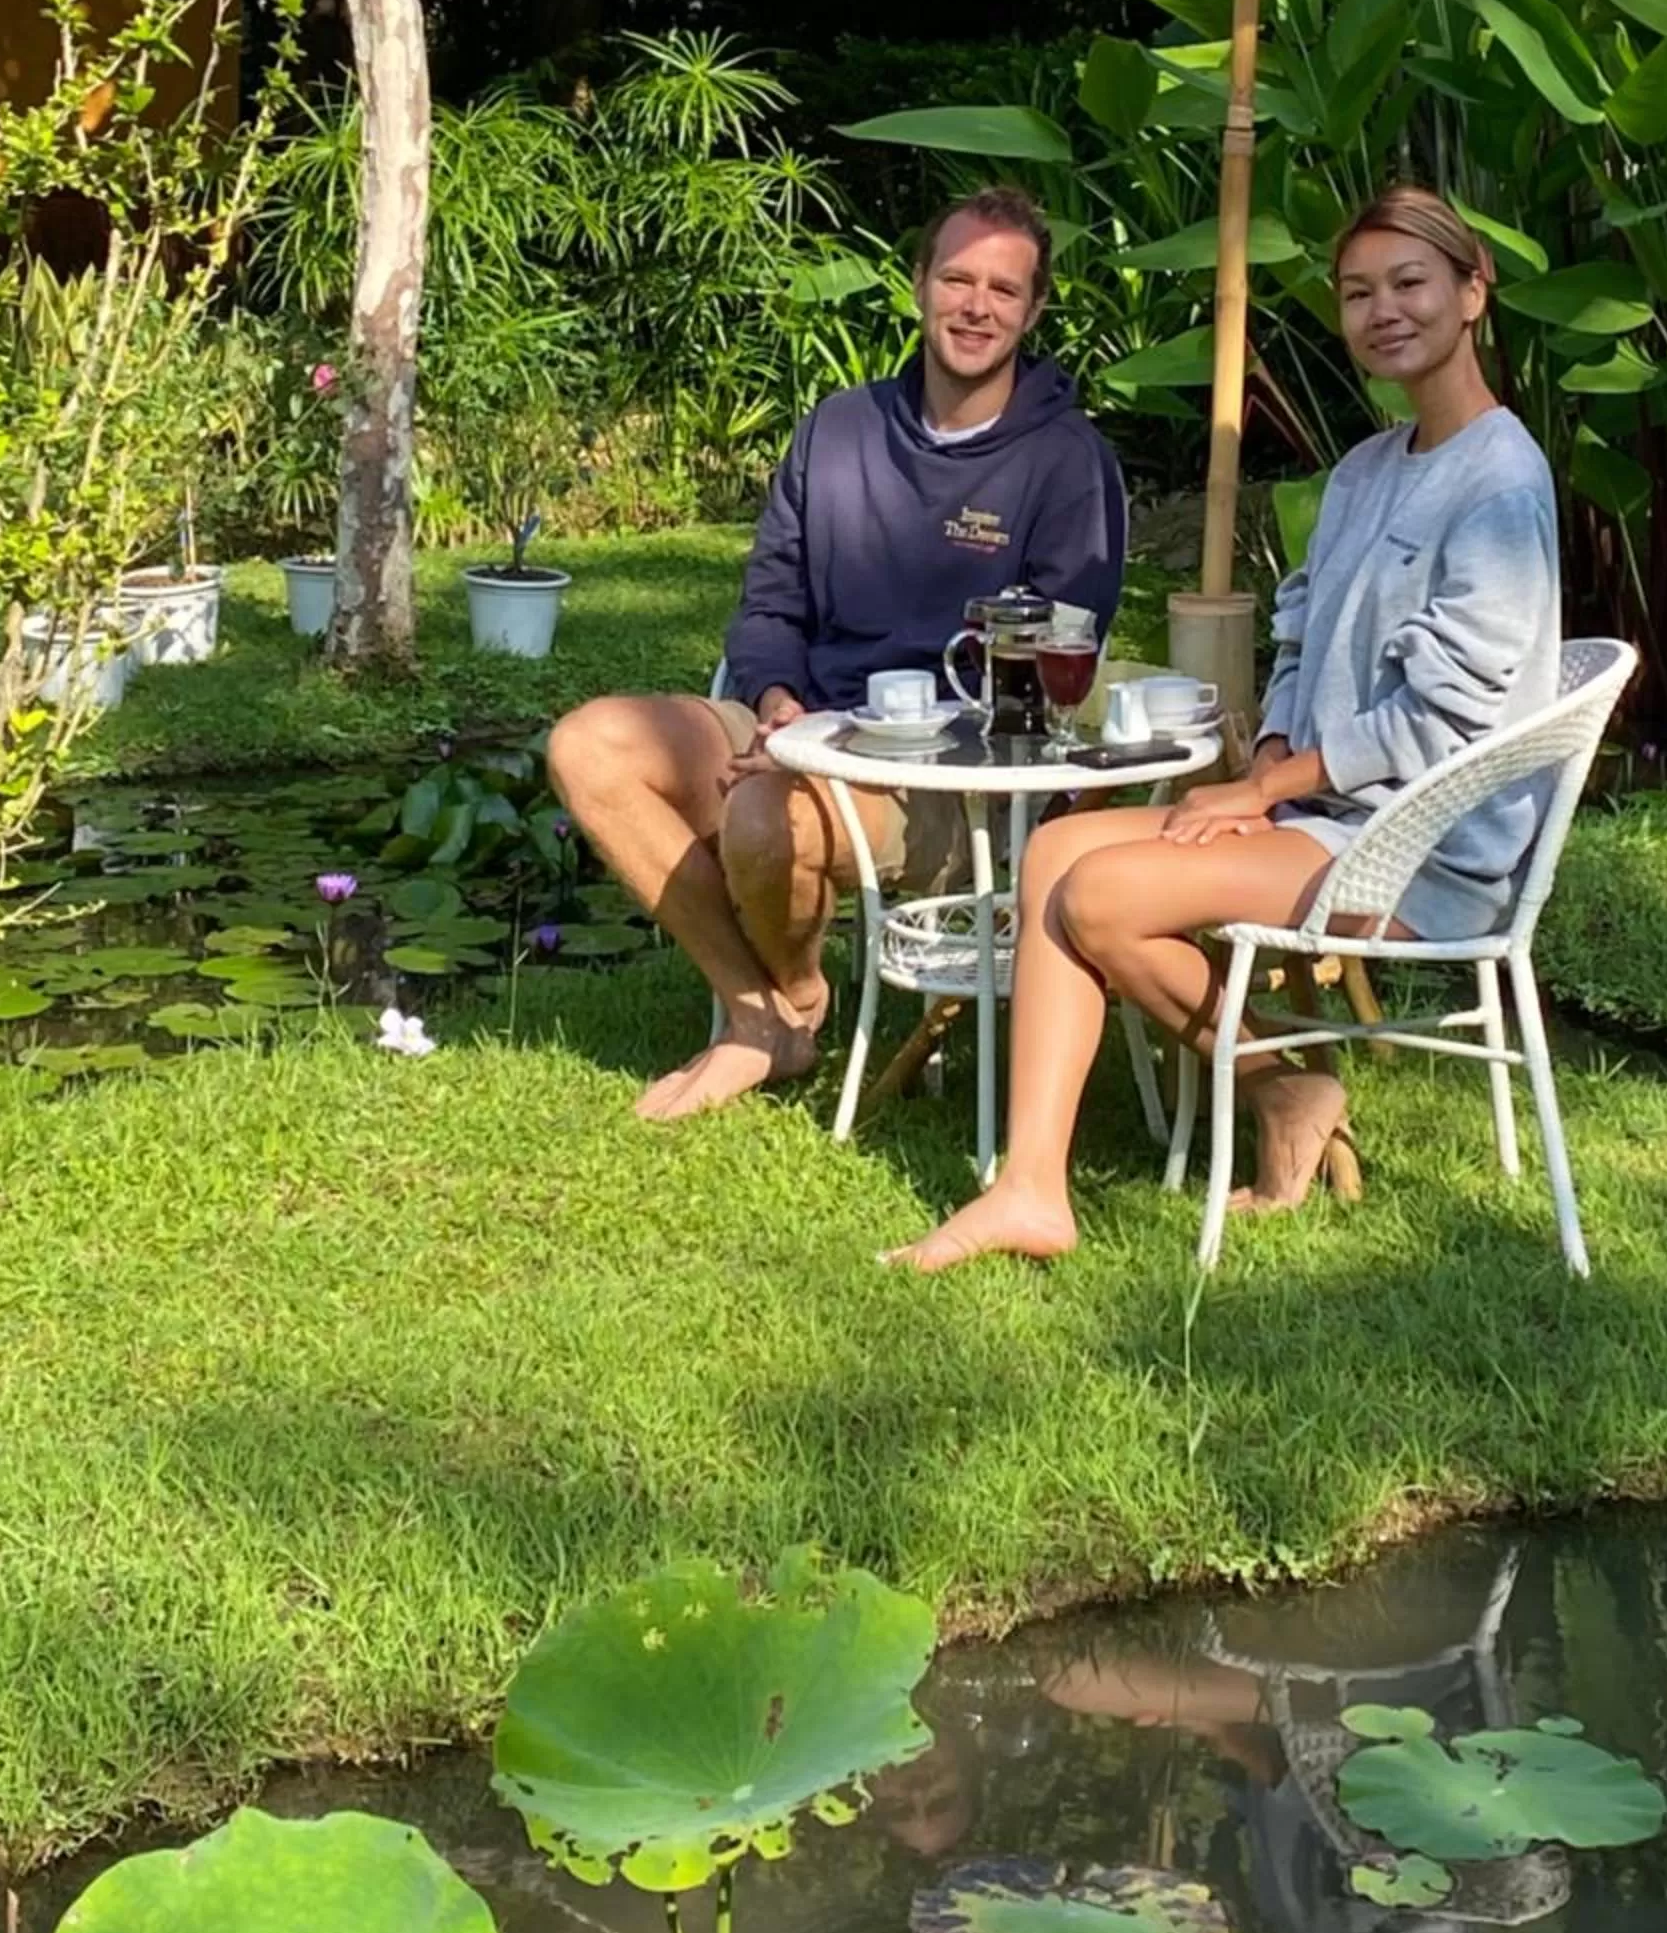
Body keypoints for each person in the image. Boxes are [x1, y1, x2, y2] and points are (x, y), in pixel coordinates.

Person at [886, 184, 1559, 1272]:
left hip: (1418, 852)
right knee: (1055, 850)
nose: (1382, 310)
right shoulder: (1364, 472)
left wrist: (1259, 794)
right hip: (1327, 813)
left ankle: (1275, 1083)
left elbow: (1451, 713)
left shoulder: (1501, 482)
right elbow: (1297, 644)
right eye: (1357, 292)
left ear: (1473, 293)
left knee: (1100, 896)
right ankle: (1035, 1187)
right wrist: (1280, 754)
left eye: (1410, 284)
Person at [548, 186, 1126, 1118]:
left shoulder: (1066, 461)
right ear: (918, 285)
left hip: (949, 776)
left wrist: (833, 744)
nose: (977, 306)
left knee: (767, 818)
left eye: (1004, 290)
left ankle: (778, 1006)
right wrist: (777, 702)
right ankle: (767, 1011)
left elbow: (1053, 657)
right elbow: (770, 599)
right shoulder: (840, 428)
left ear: (1034, 310)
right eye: (957, 279)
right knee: (589, 745)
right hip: (795, 725)